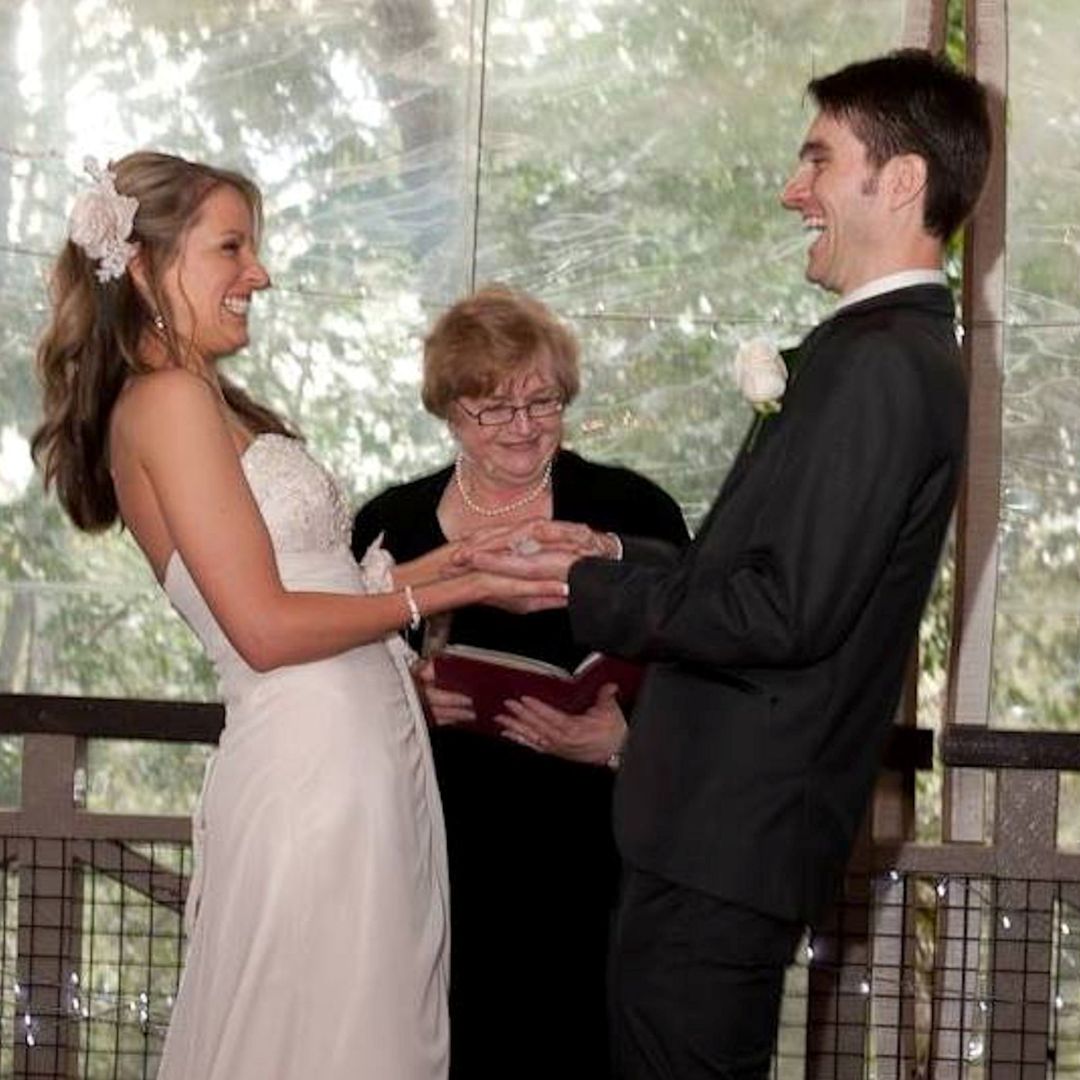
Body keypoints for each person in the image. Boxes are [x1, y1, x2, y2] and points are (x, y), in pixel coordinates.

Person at [467, 50, 993, 1079]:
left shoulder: (884, 363)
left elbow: (782, 609)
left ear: (901, 182)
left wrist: (575, 589)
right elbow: (770, 566)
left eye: (819, 162)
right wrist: (614, 548)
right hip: (715, 834)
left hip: (728, 833)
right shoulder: (877, 351)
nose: (795, 191)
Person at [30, 153, 565, 1080]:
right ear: (151, 266)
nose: (261, 273)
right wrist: (446, 594)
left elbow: (312, 580)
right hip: (313, 766)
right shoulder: (165, 402)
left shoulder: (206, 400)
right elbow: (266, 627)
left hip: (358, 754)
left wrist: (477, 556)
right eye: (231, 247)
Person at [351, 285, 689, 1079]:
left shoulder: (630, 511)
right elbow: (331, 667)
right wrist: (406, 697)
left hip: (591, 845)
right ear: (448, 409)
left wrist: (625, 740)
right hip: (439, 836)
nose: (524, 426)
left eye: (542, 401)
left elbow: (709, 666)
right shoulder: (387, 524)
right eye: (492, 408)